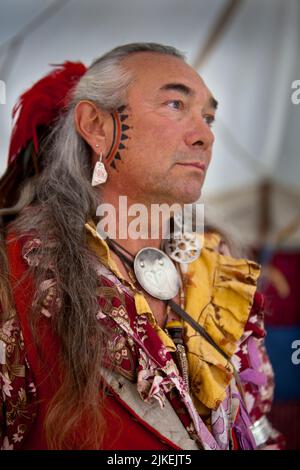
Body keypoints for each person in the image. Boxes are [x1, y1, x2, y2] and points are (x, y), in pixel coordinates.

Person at [0, 43, 284, 450]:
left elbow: (259, 429)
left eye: (208, 117)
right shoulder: (14, 276)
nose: (205, 134)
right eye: (174, 104)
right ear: (97, 126)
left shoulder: (221, 267)